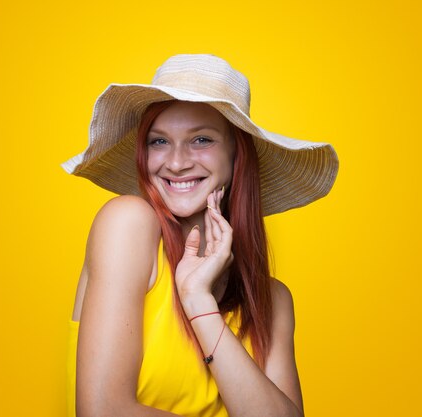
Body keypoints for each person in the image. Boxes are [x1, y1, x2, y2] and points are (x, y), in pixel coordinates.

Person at [62, 54, 338, 417]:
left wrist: (198, 302)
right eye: (159, 142)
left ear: (238, 155)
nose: (176, 163)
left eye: (201, 140)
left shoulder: (273, 300)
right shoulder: (127, 224)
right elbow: (102, 411)